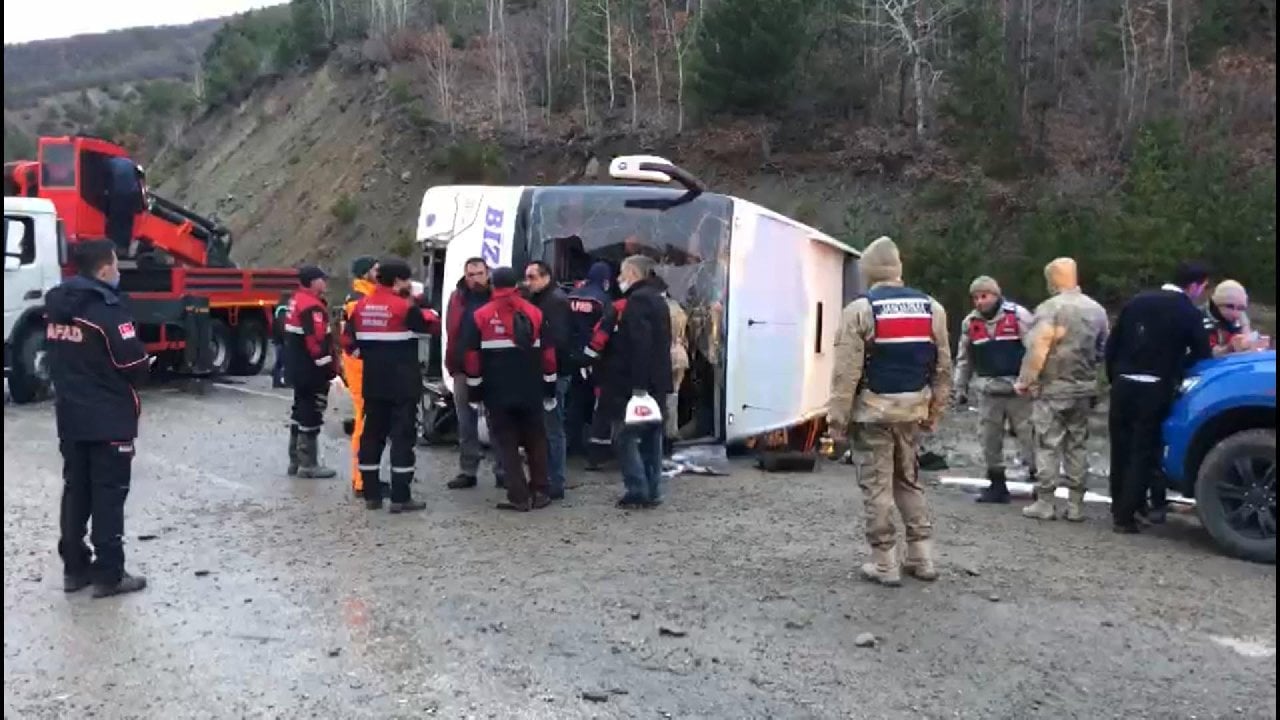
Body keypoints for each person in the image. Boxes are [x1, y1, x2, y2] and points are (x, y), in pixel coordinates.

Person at [827, 236, 951, 587]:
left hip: (872, 415)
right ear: (899, 269)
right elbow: (943, 365)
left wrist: (837, 420)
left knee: (877, 487)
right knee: (909, 481)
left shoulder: (860, 310)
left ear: (868, 272)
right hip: (913, 410)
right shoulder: (932, 308)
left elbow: (846, 373)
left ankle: (884, 563)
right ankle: (922, 557)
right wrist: (935, 409)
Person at [45, 240, 150, 597]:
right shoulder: (107, 310)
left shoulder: (57, 307)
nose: (118, 272)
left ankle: (75, 568)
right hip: (108, 417)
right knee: (108, 495)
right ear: (104, 269)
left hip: (71, 416)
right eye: (117, 265)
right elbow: (133, 364)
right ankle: (109, 573)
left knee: (76, 492)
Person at [1105, 262, 1212, 531]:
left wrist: (1114, 376)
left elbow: (1112, 344)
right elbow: (1202, 354)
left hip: (1123, 382)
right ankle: (1128, 514)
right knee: (1143, 450)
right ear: (1196, 285)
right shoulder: (1188, 311)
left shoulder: (1137, 301)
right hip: (1155, 385)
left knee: (1120, 447)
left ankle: (1118, 503)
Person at [1015, 257, 1109, 523]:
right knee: (1077, 445)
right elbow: (1103, 349)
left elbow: (1038, 350)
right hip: (1083, 388)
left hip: (1053, 389)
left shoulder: (1049, 309)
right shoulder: (1097, 310)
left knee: (1048, 444)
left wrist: (1026, 380)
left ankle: (1046, 502)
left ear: (1053, 279)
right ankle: (1076, 504)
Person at [345, 258, 441, 512]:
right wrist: (420, 303)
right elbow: (431, 324)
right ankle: (400, 497)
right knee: (402, 437)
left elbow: (348, 342)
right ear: (399, 281)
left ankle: (372, 494)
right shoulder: (403, 307)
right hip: (403, 383)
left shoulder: (361, 306)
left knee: (372, 436)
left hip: (373, 382)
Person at [460, 266, 558, 512]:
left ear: (493, 284)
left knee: (506, 443)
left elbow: (472, 357)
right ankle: (541, 490)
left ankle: (518, 495)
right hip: (531, 387)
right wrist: (549, 387)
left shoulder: (481, 315)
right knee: (537, 439)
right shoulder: (535, 312)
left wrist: (474, 392)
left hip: (497, 389)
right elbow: (548, 355)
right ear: (517, 284)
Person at [597, 255, 673, 509]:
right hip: (658, 380)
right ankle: (653, 489)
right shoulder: (659, 300)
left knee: (625, 436)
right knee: (652, 436)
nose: (620, 278)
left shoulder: (637, 302)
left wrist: (638, 386)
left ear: (632, 273)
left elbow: (640, 345)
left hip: (634, 383)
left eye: (622, 272)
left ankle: (637, 489)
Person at [953, 275, 1036, 503]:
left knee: (1029, 436)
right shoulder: (971, 323)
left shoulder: (1017, 315)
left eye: (984, 296)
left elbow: (1035, 351)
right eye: (976, 298)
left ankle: (1040, 481)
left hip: (1019, 390)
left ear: (996, 295)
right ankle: (996, 484)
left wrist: (1031, 381)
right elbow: (964, 359)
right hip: (989, 389)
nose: (980, 302)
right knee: (989, 438)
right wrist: (959, 388)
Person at [444, 258, 503, 490]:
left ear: (487, 273)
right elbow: (451, 331)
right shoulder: (457, 297)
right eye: (470, 274)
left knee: (497, 420)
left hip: (493, 367)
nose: (475, 278)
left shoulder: (498, 296)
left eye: (479, 273)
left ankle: (503, 469)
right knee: (465, 421)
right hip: (463, 366)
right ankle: (468, 470)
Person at [524, 260, 573, 500]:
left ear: (546, 277)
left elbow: (555, 341)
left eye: (532, 277)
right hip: (545, 372)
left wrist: (550, 377)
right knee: (545, 428)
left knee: (552, 428)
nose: (528, 282)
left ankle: (556, 480)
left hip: (554, 373)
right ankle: (548, 477)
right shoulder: (544, 299)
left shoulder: (554, 302)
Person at [284, 265, 338, 479]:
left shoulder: (296, 300)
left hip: (296, 367)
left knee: (299, 411)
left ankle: (295, 461)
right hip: (310, 369)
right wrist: (328, 368)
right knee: (311, 414)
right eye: (322, 279)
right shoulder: (311, 306)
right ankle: (309, 464)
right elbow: (316, 343)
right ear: (313, 282)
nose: (325, 283)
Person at [340, 256, 378, 498]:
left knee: (366, 421)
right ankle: (361, 479)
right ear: (365, 274)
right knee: (364, 422)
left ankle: (364, 475)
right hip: (361, 368)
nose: (379, 273)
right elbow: (352, 339)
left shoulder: (364, 298)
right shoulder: (359, 301)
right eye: (376, 270)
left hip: (362, 365)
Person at [581, 296, 628, 470]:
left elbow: (598, 338)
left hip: (609, 371)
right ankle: (627, 455)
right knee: (628, 415)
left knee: (603, 413)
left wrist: (586, 360)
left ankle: (597, 456)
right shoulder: (648, 308)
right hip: (633, 372)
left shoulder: (615, 308)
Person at [1204, 280, 1265, 356]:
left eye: (1240, 308)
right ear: (1217, 304)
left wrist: (1252, 343)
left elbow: (1246, 338)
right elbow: (1207, 354)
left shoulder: (1240, 317)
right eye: (1230, 306)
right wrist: (1229, 348)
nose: (1235, 313)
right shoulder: (1201, 320)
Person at [665, 291, 690, 448]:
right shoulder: (679, 309)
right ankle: (672, 430)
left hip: (667, 352)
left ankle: (666, 431)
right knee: (674, 394)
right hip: (681, 353)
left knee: (664, 394)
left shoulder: (663, 308)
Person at [271, 294, 291, 388]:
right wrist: (286, 337)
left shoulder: (280, 308)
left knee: (280, 361)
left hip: (278, 338)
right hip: (281, 339)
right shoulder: (283, 309)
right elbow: (282, 325)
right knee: (283, 360)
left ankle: (277, 381)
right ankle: (281, 381)